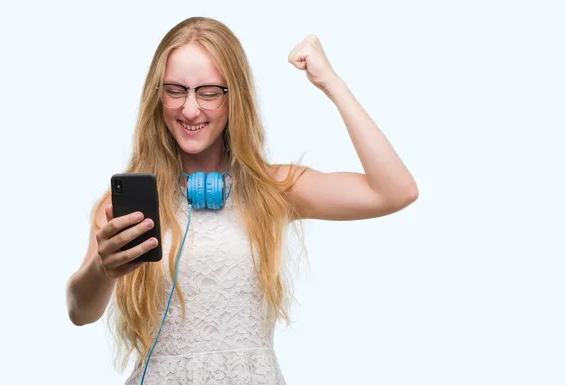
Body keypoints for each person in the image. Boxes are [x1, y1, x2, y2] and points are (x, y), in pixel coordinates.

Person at [65, 16, 418, 385]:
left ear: (235, 97)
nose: (189, 109)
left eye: (208, 92)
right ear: (158, 95)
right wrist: (102, 269)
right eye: (175, 90)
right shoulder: (128, 202)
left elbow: (395, 191)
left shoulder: (272, 188)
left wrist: (332, 83)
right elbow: (79, 311)